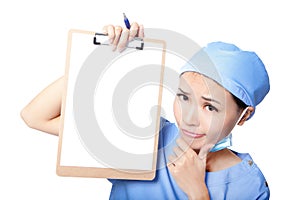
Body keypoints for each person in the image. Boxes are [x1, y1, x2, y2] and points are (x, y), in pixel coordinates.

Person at [21, 22, 270, 199]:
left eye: (210, 106)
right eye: (184, 97)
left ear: (244, 115)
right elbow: (35, 117)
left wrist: (198, 193)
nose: (190, 119)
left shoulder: (249, 186)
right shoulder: (145, 138)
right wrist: (101, 58)